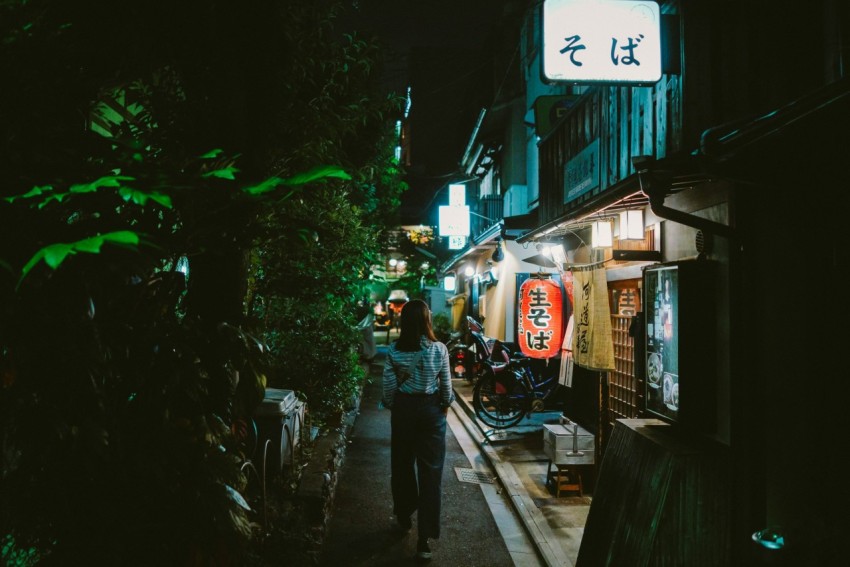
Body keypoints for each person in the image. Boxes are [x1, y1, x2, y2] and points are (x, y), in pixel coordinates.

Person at [381, 299, 454, 562]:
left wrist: (394, 406)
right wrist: (444, 406)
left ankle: (404, 514)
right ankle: (424, 540)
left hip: (404, 412)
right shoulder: (439, 350)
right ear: (426, 321)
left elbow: (388, 388)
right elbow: (446, 387)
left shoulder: (394, 351)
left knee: (401, 464)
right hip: (431, 413)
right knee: (431, 473)